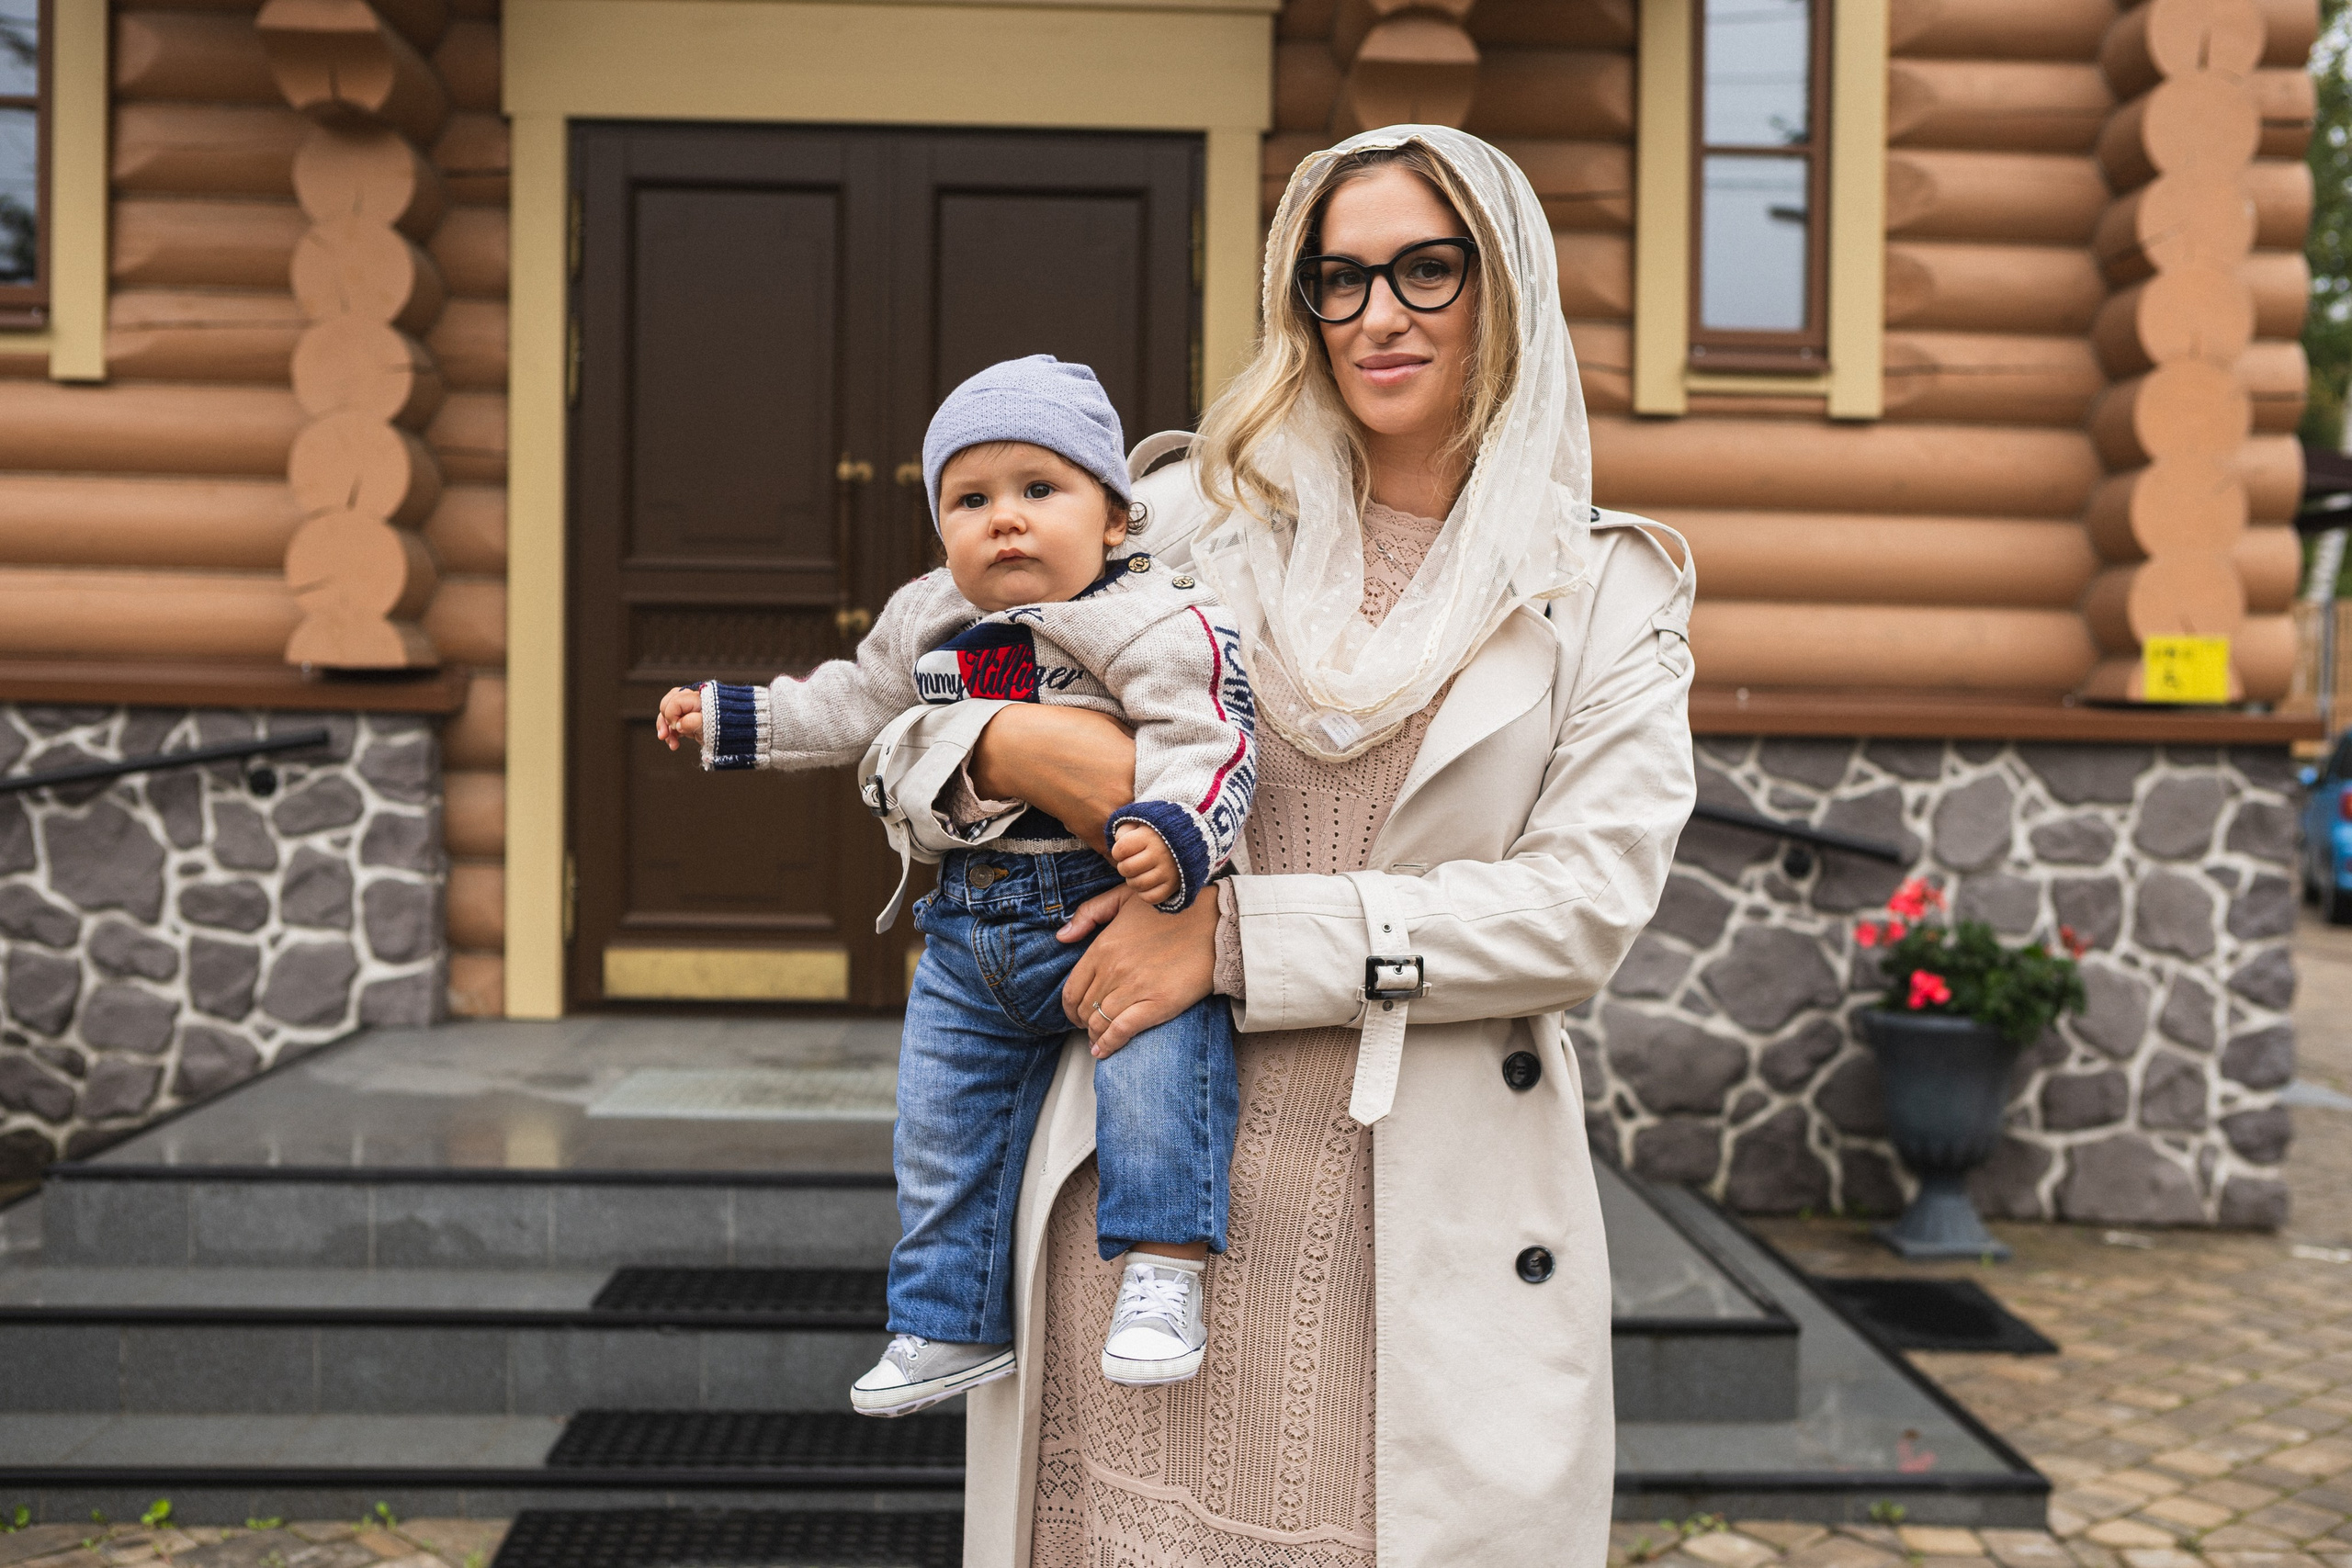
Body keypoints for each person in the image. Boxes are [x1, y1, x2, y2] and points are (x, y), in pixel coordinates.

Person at [861, 126, 1697, 1565]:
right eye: (1339, 278)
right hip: (1140, 1199)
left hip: (1420, 1237)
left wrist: (1236, 938)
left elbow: (1582, 908)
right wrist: (1010, 751)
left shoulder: (1604, 586)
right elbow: (903, 717)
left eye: (1427, 271)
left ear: (1506, 286)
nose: (1379, 316)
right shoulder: (1184, 521)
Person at [654, 355, 1256, 1416]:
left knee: (1158, 1080)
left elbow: (1207, 734)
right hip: (970, 929)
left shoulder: (1153, 615)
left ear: (1115, 518)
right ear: (940, 530)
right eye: (970, 500)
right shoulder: (927, 616)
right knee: (940, 1131)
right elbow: (854, 702)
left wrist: (1176, 833)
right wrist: (738, 719)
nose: (1004, 519)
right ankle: (947, 1321)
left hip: (1107, 904)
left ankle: (1164, 1275)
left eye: (1040, 489)